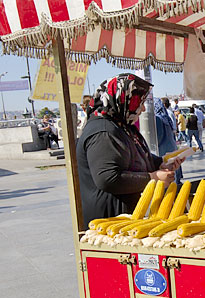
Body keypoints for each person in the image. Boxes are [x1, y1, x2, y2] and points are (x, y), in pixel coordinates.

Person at [76, 73, 182, 226]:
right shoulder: (103, 131)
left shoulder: (122, 126)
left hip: (128, 216)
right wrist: (153, 177)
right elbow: (108, 178)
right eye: (139, 102)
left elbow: (136, 156)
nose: (143, 108)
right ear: (123, 100)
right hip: (110, 220)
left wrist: (161, 164)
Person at [155, 98, 183, 184]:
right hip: (171, 150)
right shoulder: (165, 117)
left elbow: (157, 140)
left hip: (163, 154)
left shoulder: (157, 119)